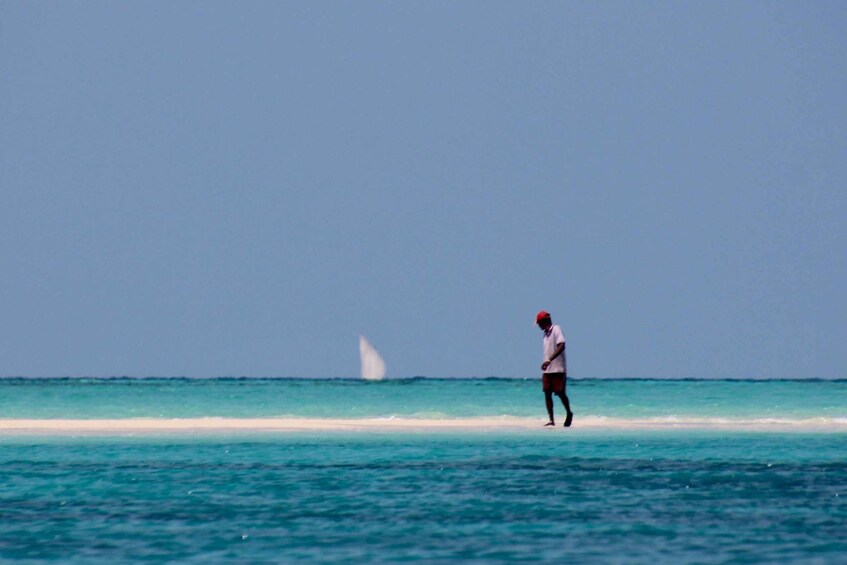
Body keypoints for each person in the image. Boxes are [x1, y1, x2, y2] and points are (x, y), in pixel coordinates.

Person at [536, 310, 574, 427]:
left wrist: (549, 360)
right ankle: (551, 420)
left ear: (544, 322)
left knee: (560, 393)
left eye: (539, 323)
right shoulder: (545, 335)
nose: (538, 326)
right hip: (548, 370)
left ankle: (569, 413)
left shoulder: (556, 329)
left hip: (558, 369)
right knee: (547, 393)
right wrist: (546, 362)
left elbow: (562, 346)